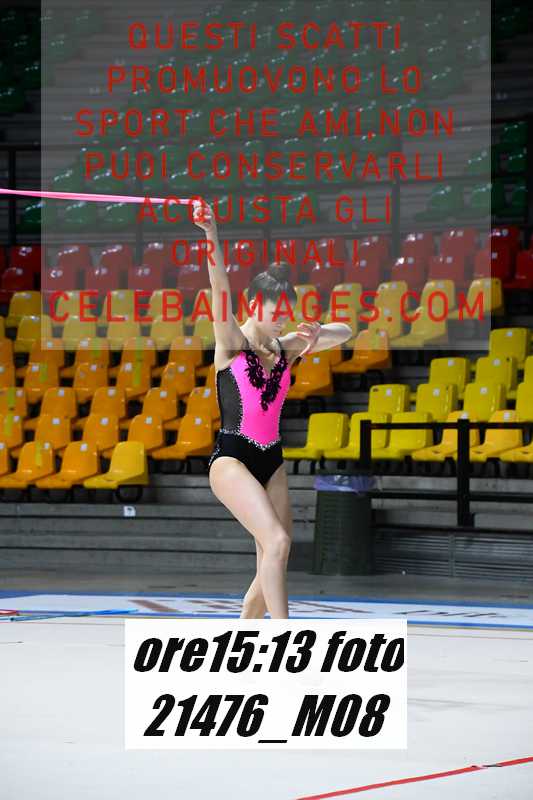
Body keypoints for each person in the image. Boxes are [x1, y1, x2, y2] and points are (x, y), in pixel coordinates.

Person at [193, 199, 353, 619]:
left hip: (272, 461)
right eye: (276, 312)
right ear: (253, 306)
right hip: (232, 459)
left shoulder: (286, 348)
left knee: (272, 557)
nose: (283, 319)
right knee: (277, 543)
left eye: (287, 312)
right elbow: (219, 286)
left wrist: (317, 333)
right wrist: (211, 232)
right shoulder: (232, 343)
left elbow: (346, 331)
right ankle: (285, 638)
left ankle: (243, 637)